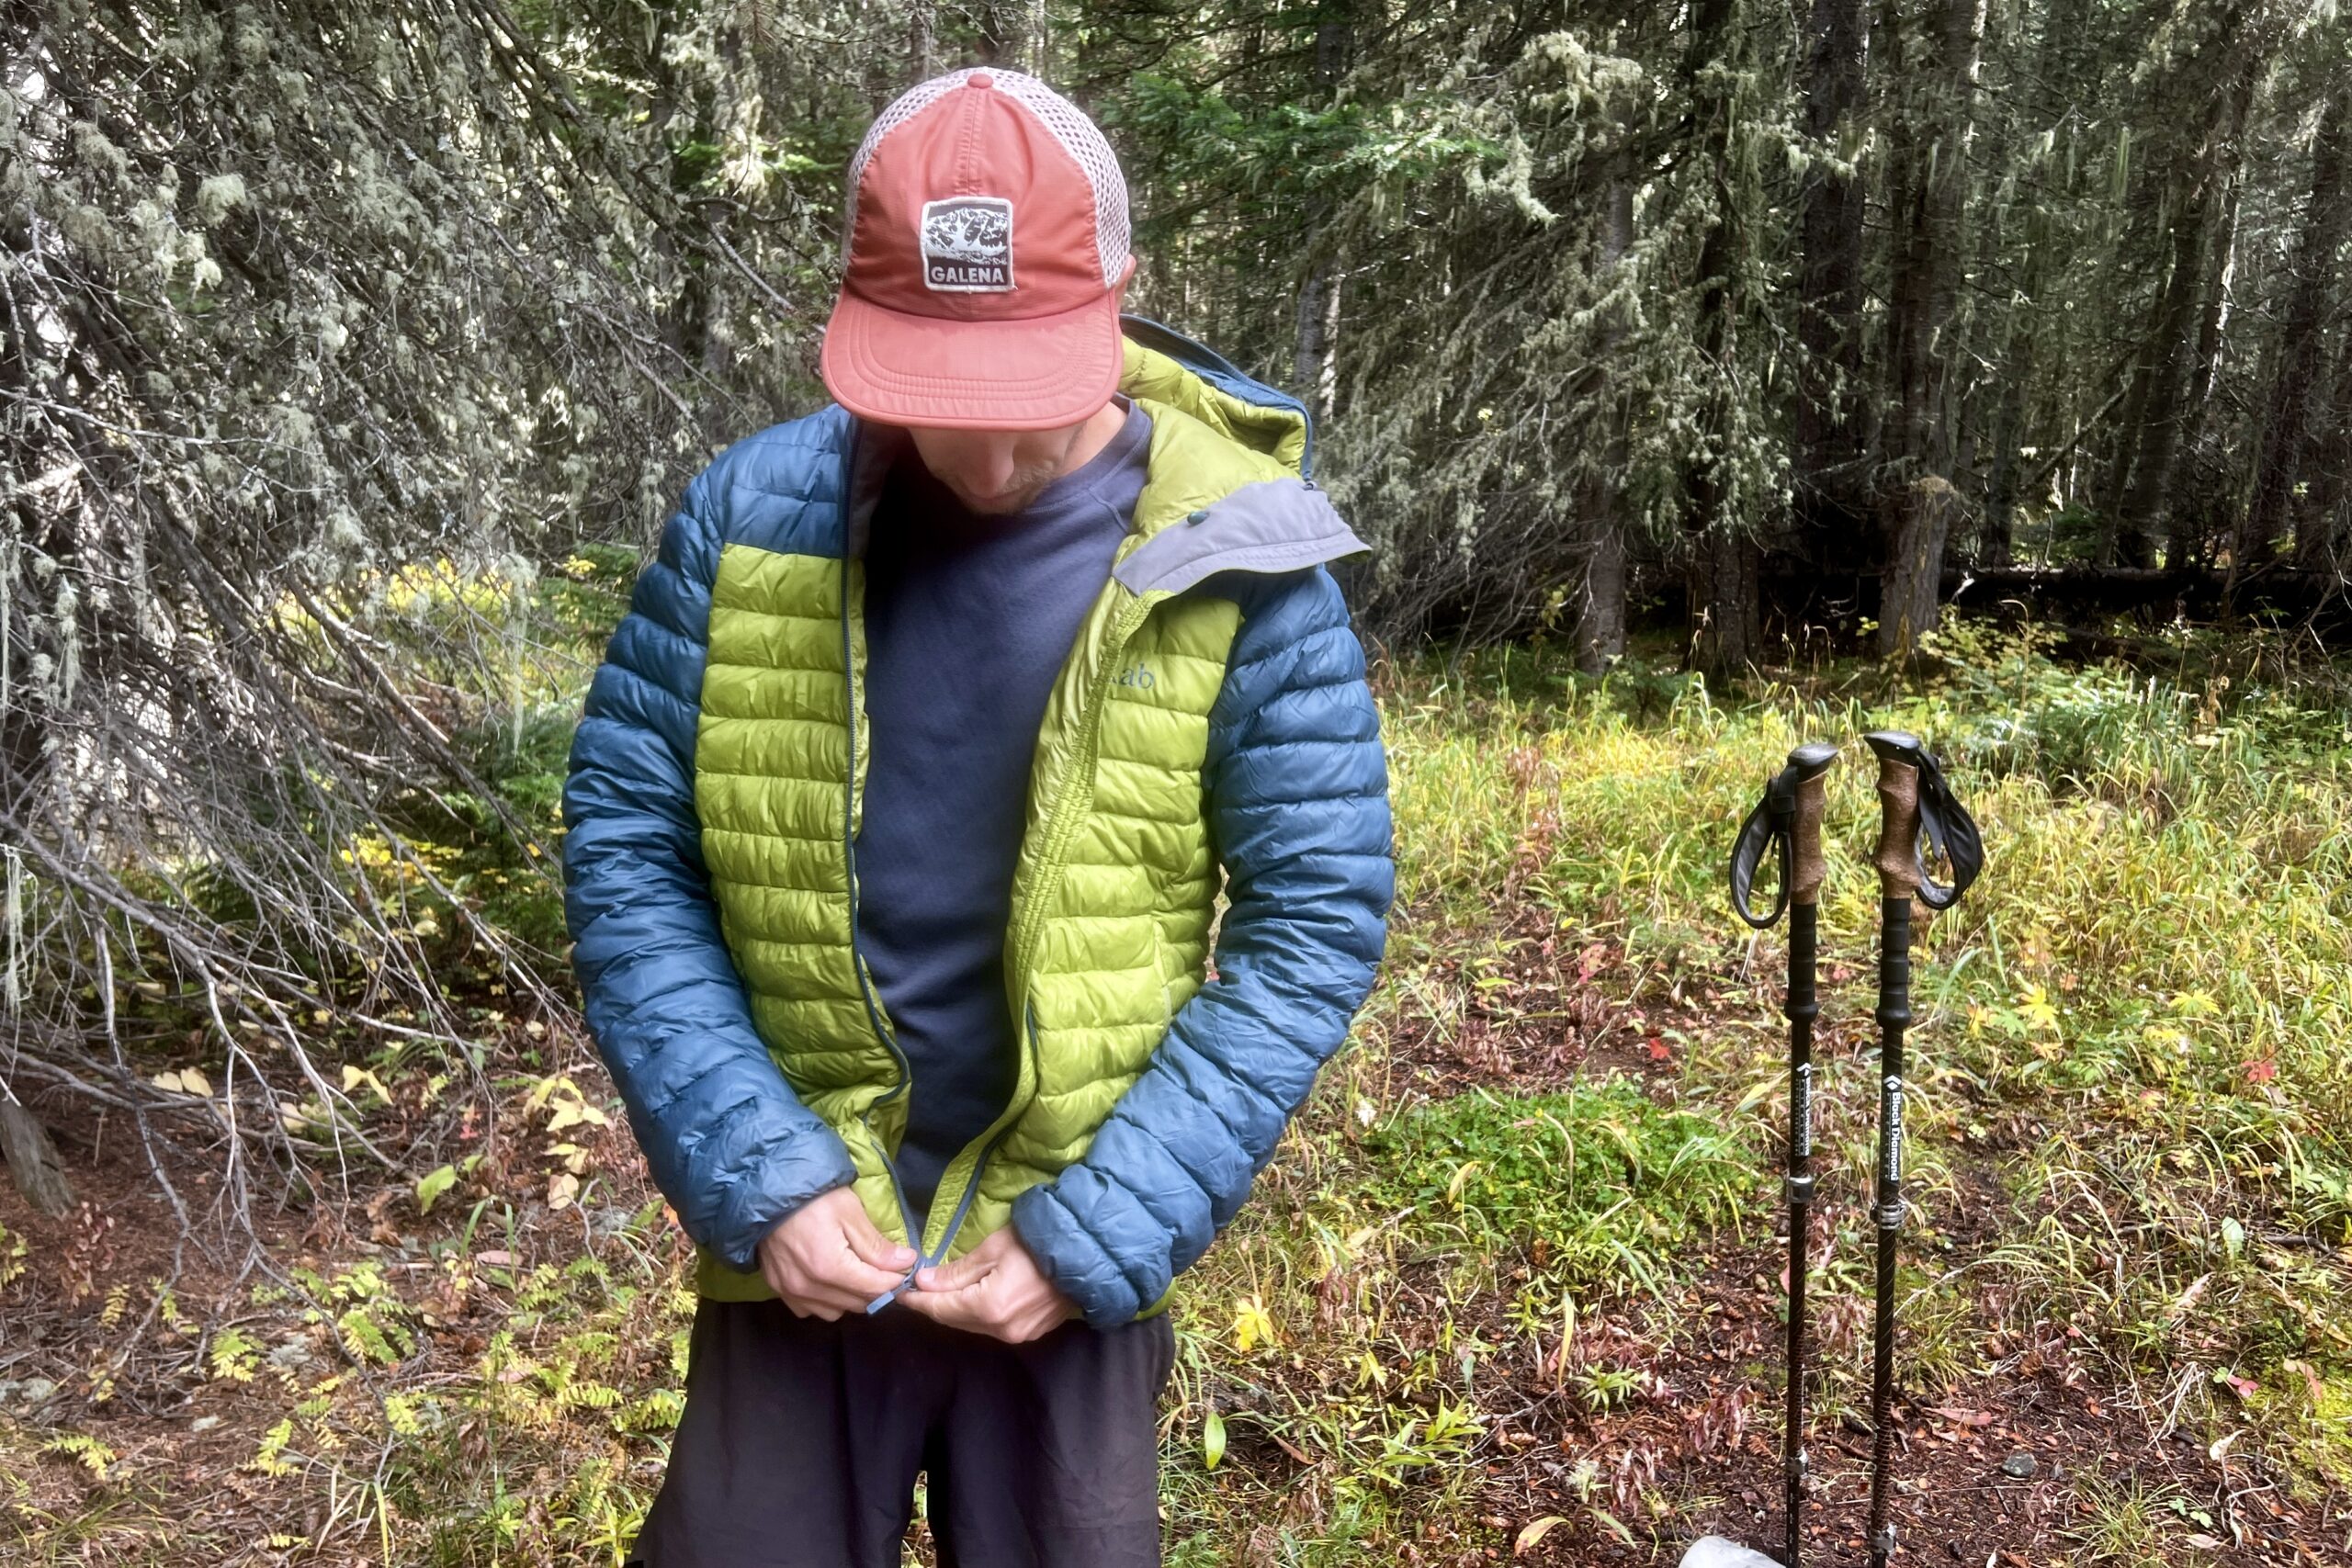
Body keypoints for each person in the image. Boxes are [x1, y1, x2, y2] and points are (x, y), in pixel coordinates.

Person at [560, 63, 1394, 1568]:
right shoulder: (748, 522)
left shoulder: (1240, 556)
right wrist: (762, 1172)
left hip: (1067, 1232)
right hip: (805, 1225)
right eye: (941, 403)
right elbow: (630, 845)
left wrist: (1101, 1231)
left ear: (1118, 298)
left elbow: (1314, 922)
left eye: (1029, 401)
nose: (991, 462)